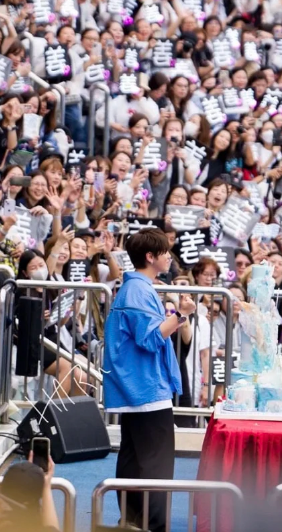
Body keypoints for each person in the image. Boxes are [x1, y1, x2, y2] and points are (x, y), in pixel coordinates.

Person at [103, 228, 196, 532]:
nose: (170, 257)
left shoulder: (135, 289)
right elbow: (150, 338)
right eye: (166, 252)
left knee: (132, 462)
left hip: (138, 390)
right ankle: (152, 526)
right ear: (150, 256)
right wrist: (180, 315)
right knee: (155, 469)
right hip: (145, 390)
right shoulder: (139, 291)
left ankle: (131, 523)